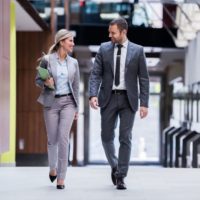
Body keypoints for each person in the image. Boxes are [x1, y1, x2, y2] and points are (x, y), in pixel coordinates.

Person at [89, 18, 149, 190]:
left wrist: (144, 103)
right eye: (109, 32)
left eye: (113, 32)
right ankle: (115, 165)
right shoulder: (104, 48)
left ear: (124, 32)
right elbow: (95, 74)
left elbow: (143, 79)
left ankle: (121, 175)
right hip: (107, 98)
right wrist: (93, 94)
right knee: (106, 136)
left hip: (128, 99)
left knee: (125, 137)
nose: (110, 35)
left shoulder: (138, 51)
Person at [35, 29, 80, 189]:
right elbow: (38, 80)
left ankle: (61, 178)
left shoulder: (74, 63)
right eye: (70, 41)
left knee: (63, 139)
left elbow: (75, 86)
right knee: (52, 139)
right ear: (62, 42)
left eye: (73, 41)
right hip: (51, 103)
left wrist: (76, 109)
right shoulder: (47, 60)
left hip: (68, 102)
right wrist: (45, 83)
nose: (73, 44)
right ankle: (52, 168)